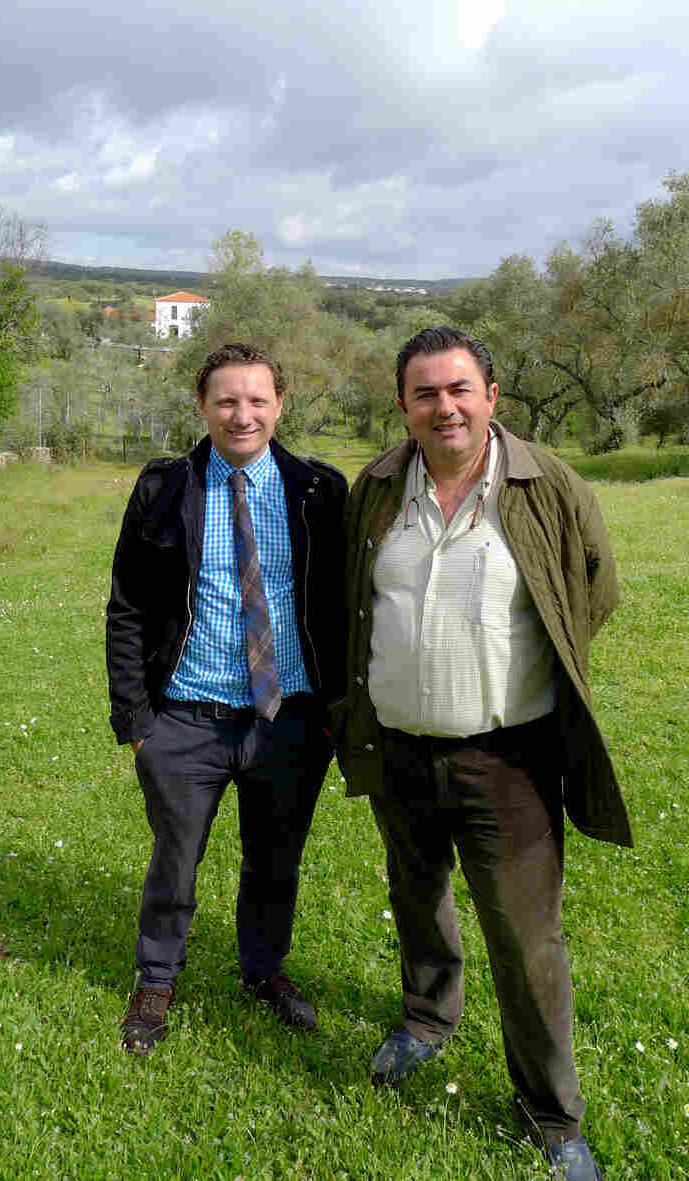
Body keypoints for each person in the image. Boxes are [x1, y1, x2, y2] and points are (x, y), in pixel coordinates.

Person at [332, 326, 632, 1180]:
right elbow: (352, 600)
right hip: (398, 748)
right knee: (416, 892)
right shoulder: (379, 488)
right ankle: (428, 1017)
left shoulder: (547, 485)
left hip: (511, 759)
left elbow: (593, 587)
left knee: (527, 940)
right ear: (403, 406)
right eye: (425, 393)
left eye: (460, 389)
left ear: (492, 397)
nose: (445, 406)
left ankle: (551, 1113)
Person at [107, 342, 347, 1054]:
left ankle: (264, 970)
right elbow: (126, 608)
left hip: (289, 721)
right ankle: (157, 977)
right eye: (226, 401)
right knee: (174, 862)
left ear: (279, 405)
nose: (243, 415)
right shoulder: (163, 488)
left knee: (276, 860)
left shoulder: (318, 491)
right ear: (202, 405)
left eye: (257, 400)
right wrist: (137, 723)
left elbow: (342, 606)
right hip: (185, 721)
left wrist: (336, 712)